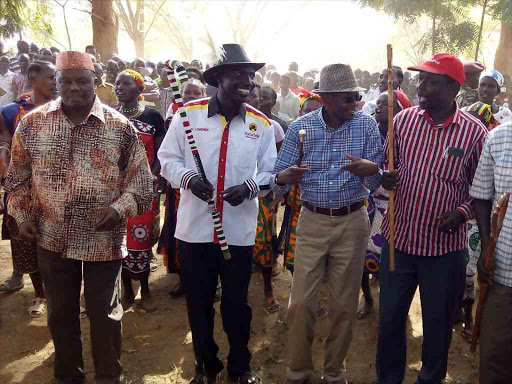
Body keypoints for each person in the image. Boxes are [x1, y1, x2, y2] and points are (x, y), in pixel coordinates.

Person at [5, 51, 153, 384]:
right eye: (66, 81)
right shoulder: (32, 124)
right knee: (60, 314)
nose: (74, 88)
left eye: (82, 81)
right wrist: (22, 214)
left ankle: (108, 376)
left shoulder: (120, 127)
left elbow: (142, 185)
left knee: (105, 313)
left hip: (103, 239)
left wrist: (118, 209)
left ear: (97, 83)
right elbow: (16, 181)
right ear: (55, 83)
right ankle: (68, 375)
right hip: (50, 235)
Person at [158, 43, 276, 384]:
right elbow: (168, 161)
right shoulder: (187, 115)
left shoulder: (261, 124)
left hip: (237, 233)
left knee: (237, 305)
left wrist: (250, 187)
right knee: (198, 305)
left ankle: (241, 366)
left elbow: (270, 172)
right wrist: (188, 179)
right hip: (194, 232)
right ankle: (205, 366)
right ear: (220, 78)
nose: (248, 81)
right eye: (240, 74)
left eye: (251, 75)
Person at [376, 53, 488, 384]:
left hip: (444, 253)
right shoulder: (403, 121)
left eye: (430, 80)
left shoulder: (474, 134)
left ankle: (430, 379)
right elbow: (387, 167)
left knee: (438, 326)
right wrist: (385, 177)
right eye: (420, 79)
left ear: (454, 87)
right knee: (391, 319)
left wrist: (462, 212)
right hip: (399, 243)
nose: (420, 85)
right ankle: (388, 379)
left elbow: (482, 191)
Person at [272, 63, 382, 384]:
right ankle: (299, 371)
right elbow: (279, 179)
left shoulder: (366, 127)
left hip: (352, 222)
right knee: (300, 304)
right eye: (349, 98)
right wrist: (283, 176)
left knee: (344, 306)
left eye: (357, 97)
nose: (355, 103)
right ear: (327, 98)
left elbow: (378, 182)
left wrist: (370, 170)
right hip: (312, 221)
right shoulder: (301, 127)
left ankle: (334, 372)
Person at [0, 60, 59, 318]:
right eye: (50, 77)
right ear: (33, 77)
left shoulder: (65, 109)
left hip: (56, 189)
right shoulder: (12, 111)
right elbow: (4, 136)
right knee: (27, 241)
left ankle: (62, 293)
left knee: (58, 243)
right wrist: (3, 148)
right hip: (23, 188)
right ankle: (40, 294)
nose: (56, 82)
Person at [357, 90, 412, 321]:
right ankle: (368, 299)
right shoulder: (369, 134)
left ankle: (394, 308)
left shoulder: (406, 136)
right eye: (377, 103)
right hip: (369, 203)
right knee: (361, 257)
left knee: (392, 262)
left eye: (385, 105)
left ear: (399, 110)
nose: (378, 107)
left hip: (395, 205)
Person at [114, 69, 165, 312]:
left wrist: (151, 179)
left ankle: (145, 288)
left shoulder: (153, 116)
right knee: (119, 236)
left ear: (139, 88)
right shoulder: (109, 115)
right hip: (115, 189)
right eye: (117, 83)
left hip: (144, 188)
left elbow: (160, 153)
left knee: (141, 237)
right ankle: (126, 288)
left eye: (126, 83)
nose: (119, 87)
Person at [470, 119, 512, 384]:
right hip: (504, 272)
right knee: (496, 354)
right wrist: (486, 248)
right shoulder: (499, 137)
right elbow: (482, 197)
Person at [158, 77, 206, 300]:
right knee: (180, 232)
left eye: (197, 93)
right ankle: (184, 279)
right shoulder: (178, 117)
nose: (192, 97)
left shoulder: (212, 118)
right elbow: (168, 155)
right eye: (188, 93)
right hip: (180, 188)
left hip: (206, 189)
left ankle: (209, 282)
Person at [248, 83, 285, 313]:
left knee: (262, 239)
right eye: (252, 97)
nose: (256, 101)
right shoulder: (229, 124)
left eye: (258, 97)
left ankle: (268, 291)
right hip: (236, 196)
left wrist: (278, 191)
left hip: (263, 193)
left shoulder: (272, 127)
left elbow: (278, 162)